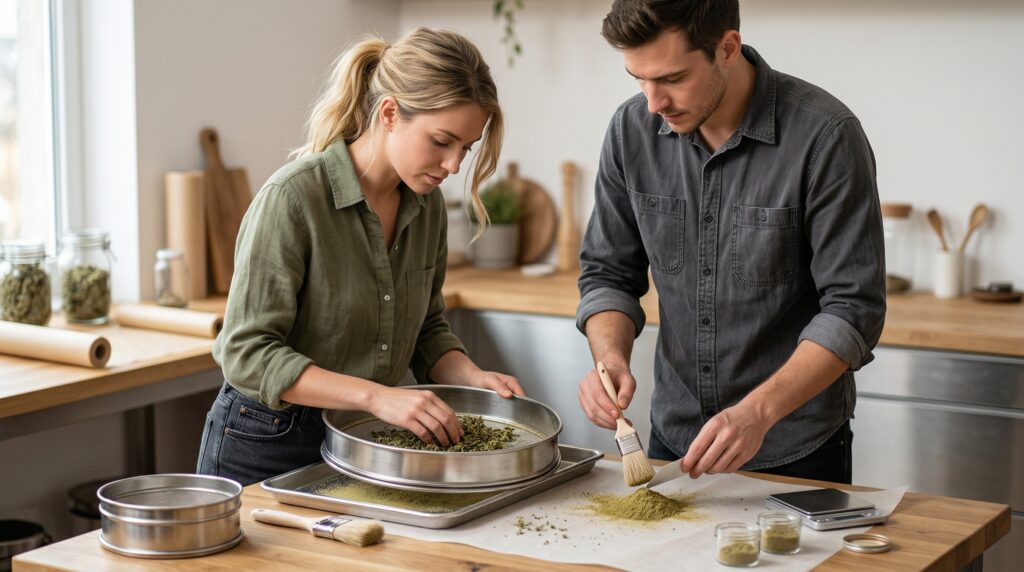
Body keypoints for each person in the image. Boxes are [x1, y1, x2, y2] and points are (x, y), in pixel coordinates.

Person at [575, 0, 885, 485]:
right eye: (639, 78)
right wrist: (609, 354)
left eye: (673, 79)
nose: (653, 102)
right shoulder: (630, 131)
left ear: (727, 47)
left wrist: (758, 412)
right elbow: (608, 274)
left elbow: (852, 310)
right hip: (671, 438)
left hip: (795, 447)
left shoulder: (825, 137)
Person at [197, 28, 523, 486]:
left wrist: (472, 376)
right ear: (389, 113)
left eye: (465, 149)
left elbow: (427, 328)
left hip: (363, 437)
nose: (453, 166)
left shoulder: (426, 206)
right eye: (441, 141)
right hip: (266, 440)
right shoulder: (292, 199)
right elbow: (246, 353)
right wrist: (377, 397)